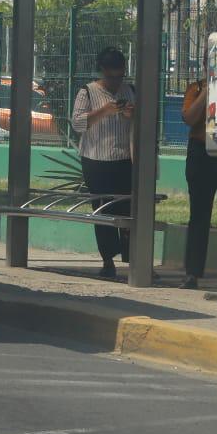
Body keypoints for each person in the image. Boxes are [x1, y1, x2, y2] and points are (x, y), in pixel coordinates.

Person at [71, 47, 137, 280]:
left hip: (123, 159)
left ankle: (133, 261)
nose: (115, 82)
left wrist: (130, 115)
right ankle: (107, 259)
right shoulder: (87, 92)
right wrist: (105, 111)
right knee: (102, 209)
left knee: (128, 210)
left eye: (120, 76)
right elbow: (77, 123)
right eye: (111, 77)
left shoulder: (130, 90)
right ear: (102, 72)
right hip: (96, 160)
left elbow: (142, 120)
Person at [180, 77, 217, 289]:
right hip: (201, 151)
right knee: (199, 214)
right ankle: (192, 272)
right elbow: (189, 117)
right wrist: (208, 91)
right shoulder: (196, 87)